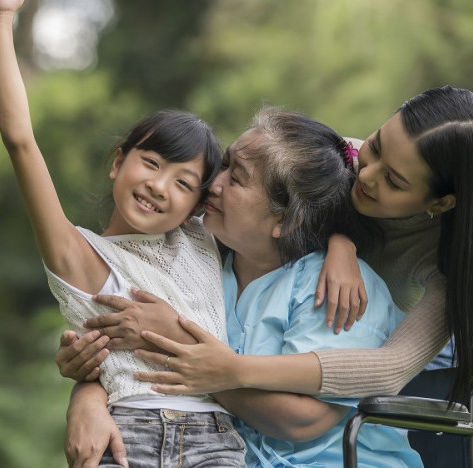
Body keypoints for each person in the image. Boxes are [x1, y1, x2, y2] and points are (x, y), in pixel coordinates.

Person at [64, 107, 422, 467]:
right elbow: (124, 349)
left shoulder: (339, 290)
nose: (213, 184)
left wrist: (193, 358)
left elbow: (303, 420)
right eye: (224, 164)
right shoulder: (200, 260)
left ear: (286, 218)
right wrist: (88, 394)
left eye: (236, 179)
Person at [0, 0, 246, 467]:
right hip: (129, 438)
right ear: (117, 163)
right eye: (150, 163)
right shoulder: (80, 257)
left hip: (217, 441)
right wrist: (2, 16)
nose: (157, 185)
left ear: (199, 204)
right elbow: (19, 140)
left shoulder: (207, 241)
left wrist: (342, 245)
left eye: (182, 182)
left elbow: (329, 165)